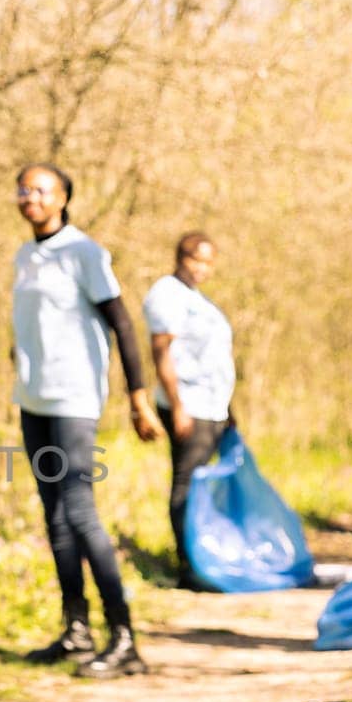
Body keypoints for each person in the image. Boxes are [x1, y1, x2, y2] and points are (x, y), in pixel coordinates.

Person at [12, 162, 159, 678]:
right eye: (24, 189)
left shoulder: (85, 252)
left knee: (80, 511)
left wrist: (138, 396)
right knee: (54, 516)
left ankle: (124, 640)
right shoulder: (25, 256)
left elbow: (122, 323)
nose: (30, 196)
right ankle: (76, 631)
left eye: (41, 189)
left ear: (63, 198)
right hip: (33, 401)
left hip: (75, 398)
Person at [142, 232, 235, 589]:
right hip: (189, 404)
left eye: (208, 262)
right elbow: (161, 352)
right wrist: (178, 407)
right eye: (195, 259)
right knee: (187, 482)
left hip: (212, 404)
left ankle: (201, 555)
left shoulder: (199, 299)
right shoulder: (166, 294)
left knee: (201, 485)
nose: (201, 268)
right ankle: (188, 566)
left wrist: (229, 408)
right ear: (180, 257)